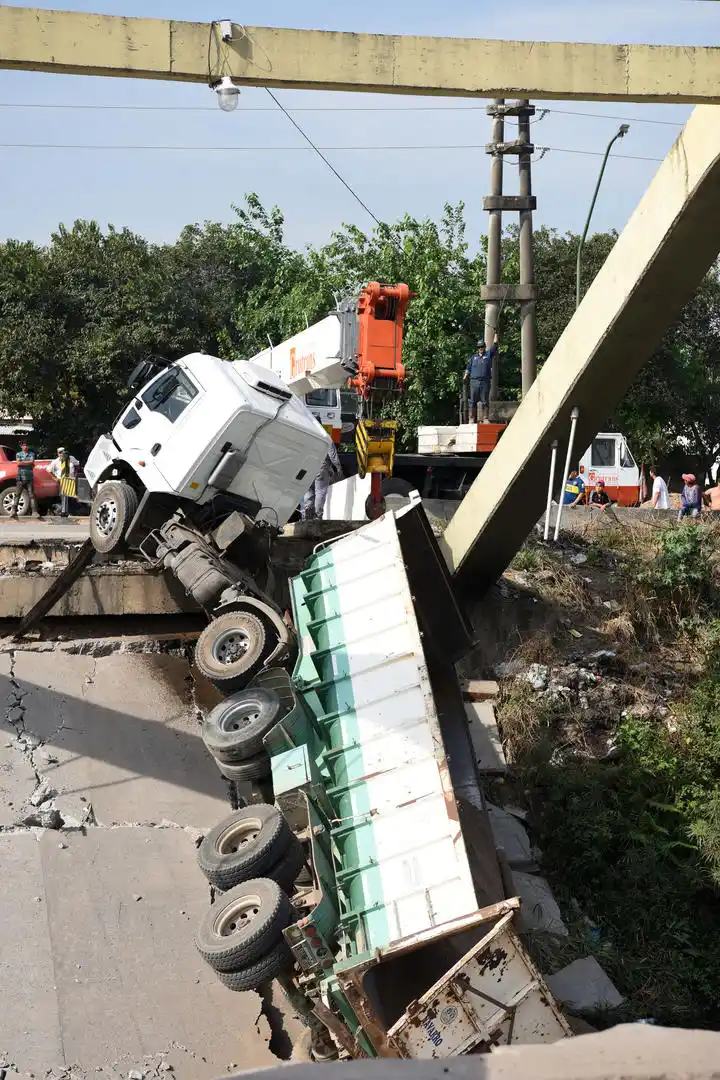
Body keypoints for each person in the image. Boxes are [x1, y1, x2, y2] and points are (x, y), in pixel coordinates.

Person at [463, 332, 499, 424]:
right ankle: (471, 418)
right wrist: (465, 376)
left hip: (485, 382)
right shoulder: (473, 357)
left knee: (485, 401)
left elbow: (495, 345)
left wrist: (495, 333)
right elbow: (468, 368)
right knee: (472, 401)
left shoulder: (488, 355)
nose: (480, 349)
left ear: (484, 347)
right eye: (479, 347)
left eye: (482, 347)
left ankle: (485, 418)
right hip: (474, 381)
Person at [301, 443, 342, 521]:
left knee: (309, 491)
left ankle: (307, 511)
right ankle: (317, 516)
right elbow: (332, 454)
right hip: (320, 466)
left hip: (306, 467)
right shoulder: (325, 437)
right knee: (320, 491)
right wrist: (338, 468)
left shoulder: (308, 436)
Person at [10, 439, 39, 519]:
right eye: (23, 445)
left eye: (26, 445)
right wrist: (28, 463)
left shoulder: (31, 453)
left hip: (30, 477)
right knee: (17, 494)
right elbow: (18, 463)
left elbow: (32, 462)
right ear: (21, 446)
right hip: (20, 477)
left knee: (32, 495)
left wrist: (23, 463)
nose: (25, 446)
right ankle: (13, 511)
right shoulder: (18, 454)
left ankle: (34, 512)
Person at [48, 446, 80, 518]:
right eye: (59, 453)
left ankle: (69, 512)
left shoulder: (71, 458)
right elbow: (49, 470)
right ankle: (64, 512)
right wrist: (55, 478)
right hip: (61, 480)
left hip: (71, 480)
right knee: (63, 496)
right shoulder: (56, 461)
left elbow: (77, 464)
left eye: (62, 452)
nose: (61, 454)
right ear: (58, 454)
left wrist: (76, 473)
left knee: (70, 496)